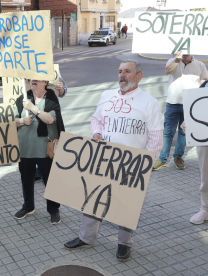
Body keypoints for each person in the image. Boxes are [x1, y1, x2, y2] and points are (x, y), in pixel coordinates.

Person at [64, 60, 163, 261]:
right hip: (103, 160)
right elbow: (96, 119)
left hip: (131, 164)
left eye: (127, 71)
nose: (122, 75)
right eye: (119, 71)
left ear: (139, 76)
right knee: (93, 198)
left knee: (127, 204)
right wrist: (97, 132)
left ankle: (124, 244)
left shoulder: (149, 102)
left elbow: (155, 137)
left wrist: (147, 164)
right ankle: (86, 237)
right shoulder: (106, 96)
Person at [13, 79, 65, 224]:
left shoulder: (50, 98)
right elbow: (12, 121)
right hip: (25, 148)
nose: (33, 81)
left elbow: (50, 120)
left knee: (50, 181)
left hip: (44, 149)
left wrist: (33, 108)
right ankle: (28, 206)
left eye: (37, 79)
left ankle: (54, 210)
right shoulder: (23, 98)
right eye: (32, 79)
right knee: (26, 180)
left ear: (45, 82)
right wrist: (22, 121)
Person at [153, 51, 208, 171]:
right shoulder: (172, 62)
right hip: (173, 103)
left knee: (183, 133)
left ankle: (178, 157)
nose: (184, 54)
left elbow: (204, 81)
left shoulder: (199, 64)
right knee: (168, 132)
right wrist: (177, 60)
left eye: (186, 52)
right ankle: (162, 159)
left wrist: (200, 98)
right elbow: (168, 71)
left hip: (190, 105)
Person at [183, 80, 208, 224]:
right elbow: (196, 107)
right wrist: (188, 124)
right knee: (206, 177)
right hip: (205, 141)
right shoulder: (205, 86)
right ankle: (206, 209)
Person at [35, 76, 68, 180]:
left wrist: (60, 88)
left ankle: (49, 168)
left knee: (50, 140)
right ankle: (37, 168)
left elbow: (63, 91)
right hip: (32, 114)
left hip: (49, 111)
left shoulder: (52, 70)